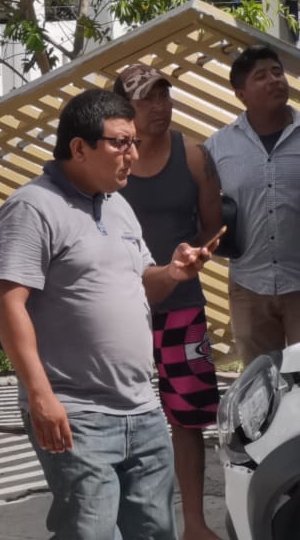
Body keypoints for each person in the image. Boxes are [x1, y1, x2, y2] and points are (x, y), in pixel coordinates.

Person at [0, 89, 218, 540]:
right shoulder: (31, 209)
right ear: (79, 147)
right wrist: (41, 396)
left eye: (132, 141)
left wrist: (171, 273)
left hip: (143, 409)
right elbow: (6, 303)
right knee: (89, 533)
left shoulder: (118, 205)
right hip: (76, 412)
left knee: (155, 530)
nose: (133, 153)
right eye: (120, 142)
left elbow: (139, 284)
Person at [113, 65, 224, 540]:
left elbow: (213, 223)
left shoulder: (194, 155)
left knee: (187, 417)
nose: (161, 106)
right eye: (148, 99)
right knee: (118, 418)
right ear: (123, 110)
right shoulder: (107, 159)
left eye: (165, 95)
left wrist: (194, 254)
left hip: (180, 307)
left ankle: (194, 524)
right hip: (120, 312)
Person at [204, 45, 300, 365]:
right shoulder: (217, 147)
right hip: (249, 288)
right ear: (241, 95)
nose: (274, 80)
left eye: (277, 72)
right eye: (261, 76)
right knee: (261, 388)